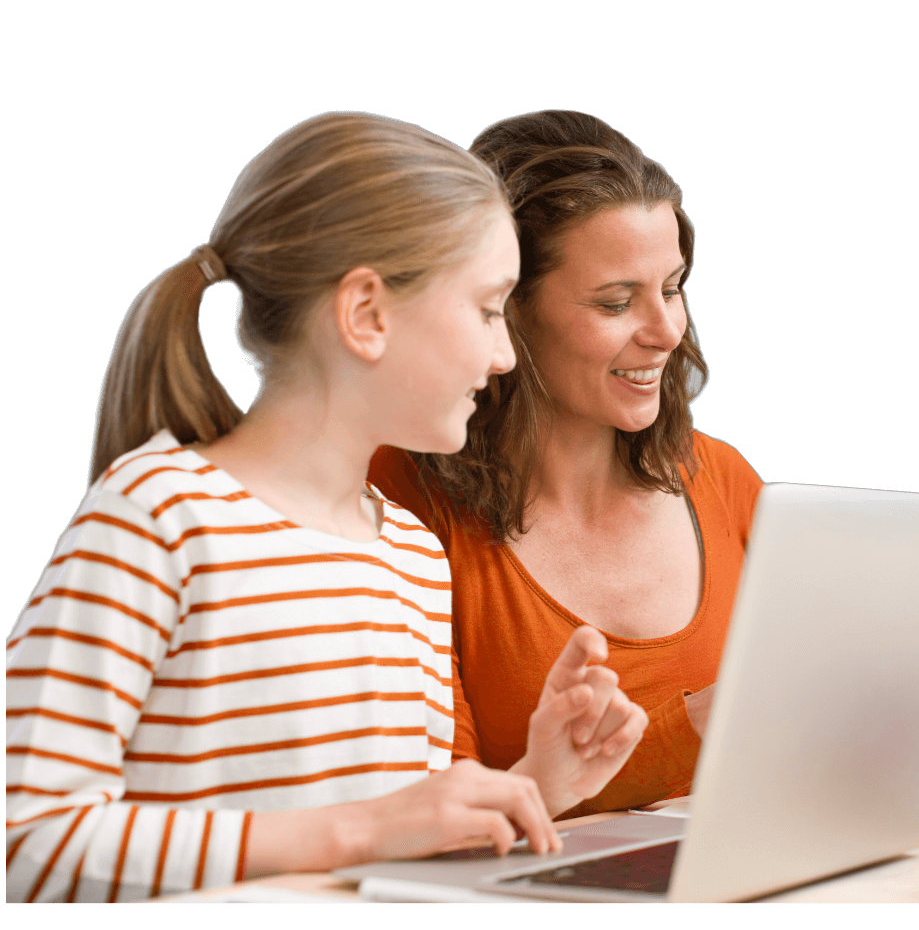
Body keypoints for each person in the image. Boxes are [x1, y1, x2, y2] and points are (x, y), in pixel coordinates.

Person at [6, 112, 647, 903]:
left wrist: (534, 786)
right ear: (367, 315)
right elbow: (26, 841)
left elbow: (397, 852)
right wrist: (355, 832)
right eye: (487, 311)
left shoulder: (410, 553)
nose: (505, 354)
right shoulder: (159, 517)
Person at [367, 110, 764, 817]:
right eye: (616, 302)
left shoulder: (724, 478)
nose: (666, 332)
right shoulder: (396, 495)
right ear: (505, 309)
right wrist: (697, 727)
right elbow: (434, 818)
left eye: (673, 288)